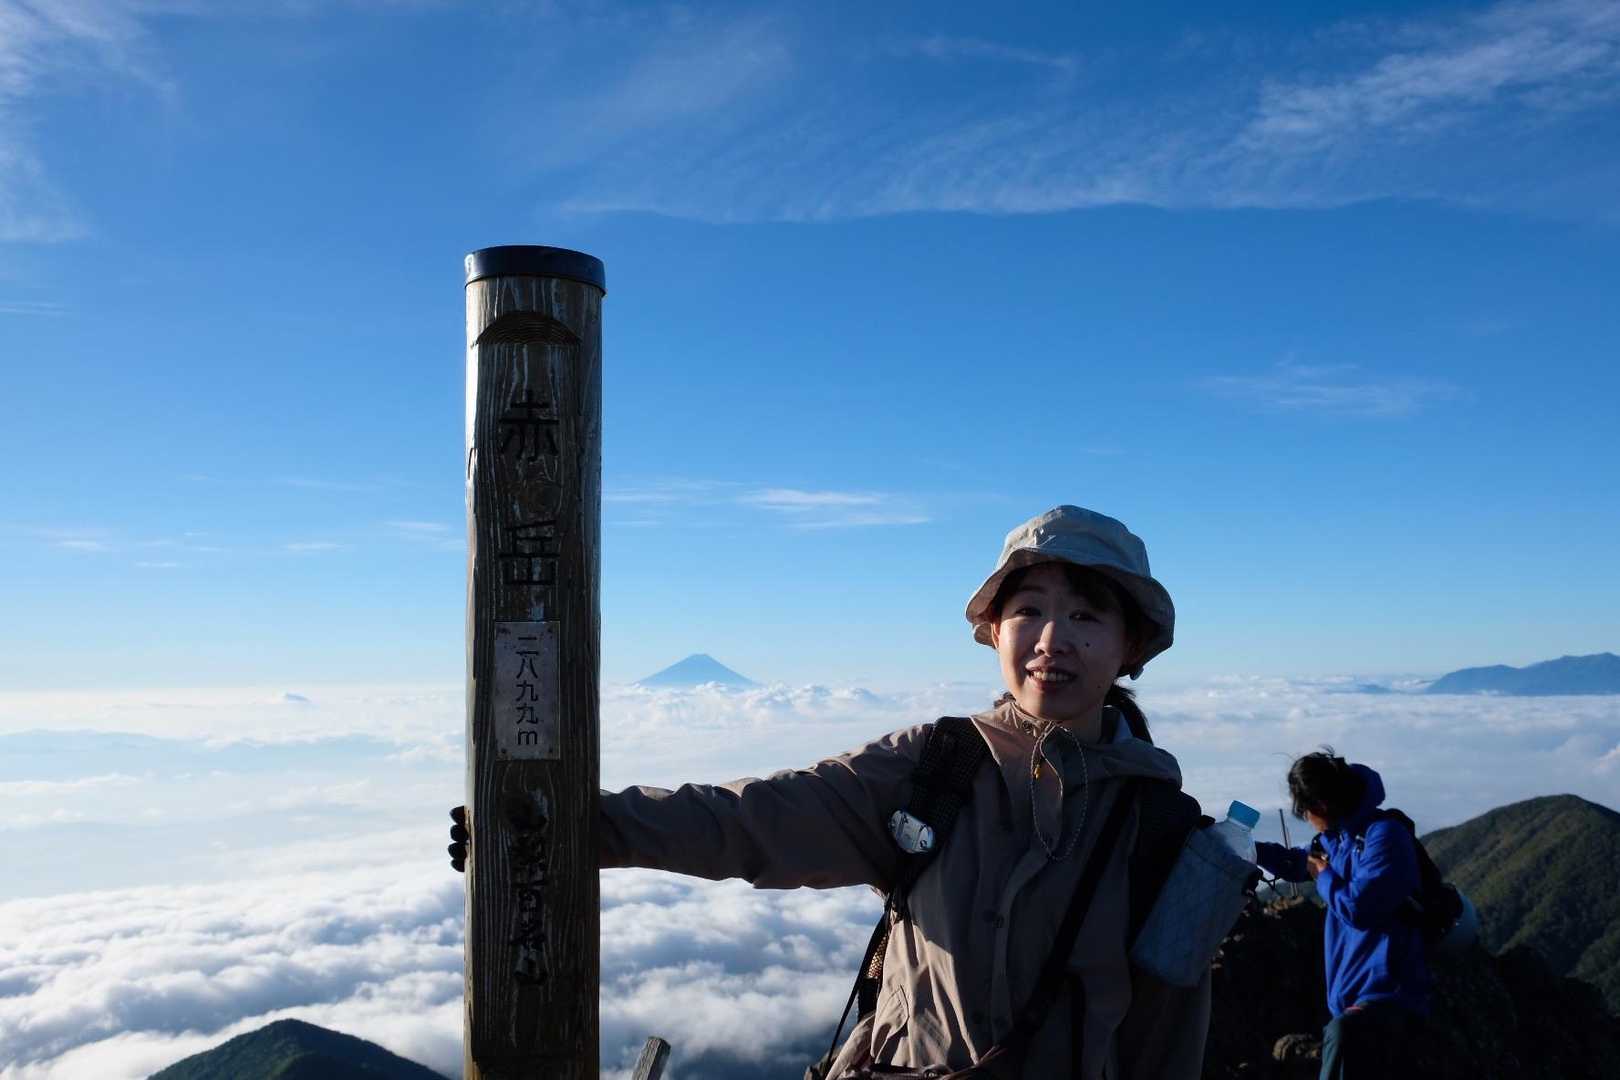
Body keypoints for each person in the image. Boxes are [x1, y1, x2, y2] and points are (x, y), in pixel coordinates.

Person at [450, 505, 1210, 1078]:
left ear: (1129, 645)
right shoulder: (937, 767)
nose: (1051, 640)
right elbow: (754, 820)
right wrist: (567, 827)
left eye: (1084, 616)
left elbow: (1169, 1036)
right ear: (996, 631)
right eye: (1029, 610)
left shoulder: (1162, 828)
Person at [1255, 751, 1431, 1080]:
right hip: (1352, 1002)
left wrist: (1322, 873)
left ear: (1321, 805)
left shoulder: (1384, 836)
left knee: (1343, 1036)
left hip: (1387, 997)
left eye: (1305, 811)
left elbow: (1360, 907)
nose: (1306, 818)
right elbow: (1296, 862)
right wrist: (1249, 850)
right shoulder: (1335, 841)